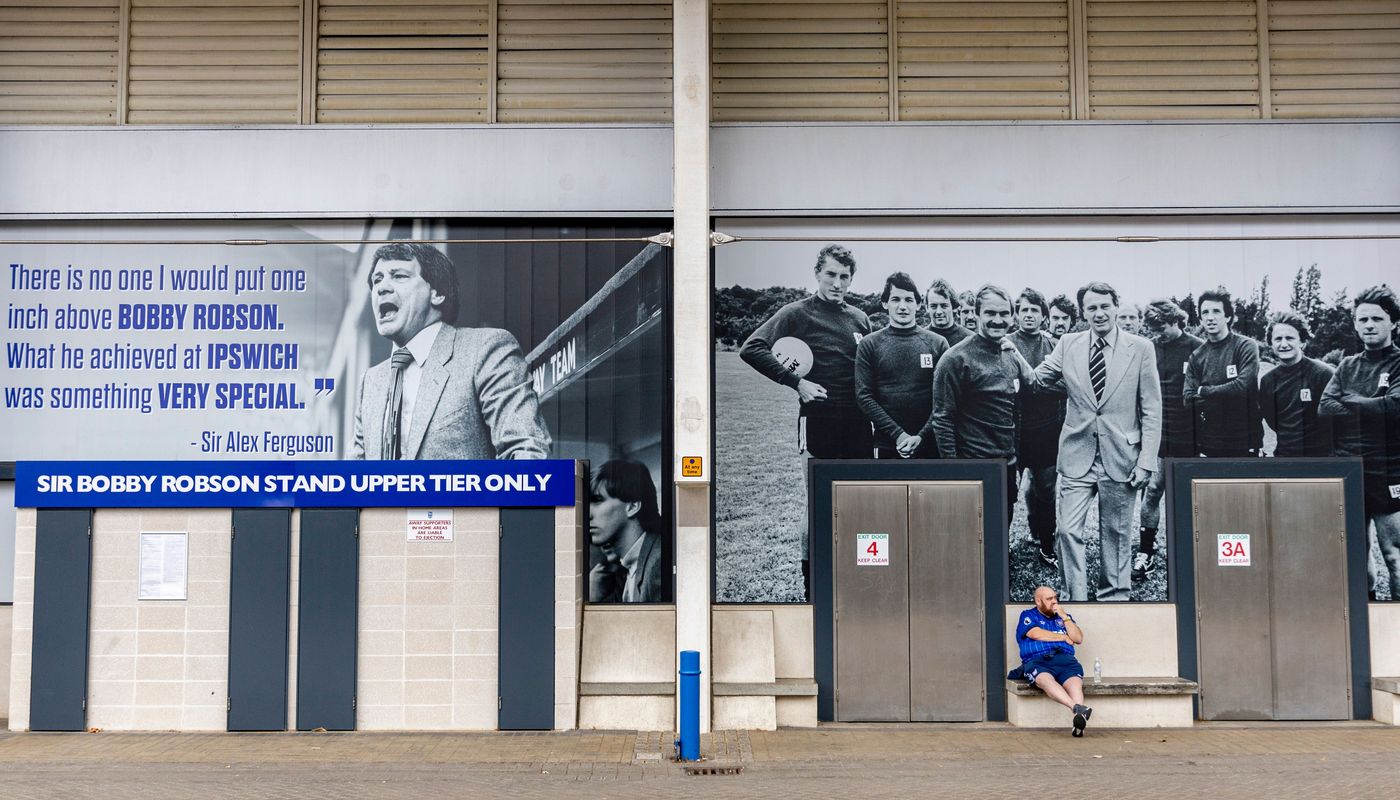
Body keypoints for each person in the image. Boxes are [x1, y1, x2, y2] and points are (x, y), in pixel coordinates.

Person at [1009, 281, 1162, 601]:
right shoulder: (1068, 344)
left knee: (1116, 534)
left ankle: (1114, 596)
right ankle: (1072, 597)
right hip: (1077, 454)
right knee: (1067, 530)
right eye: (1091, 307)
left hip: (1122, 456)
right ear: (1083, 312)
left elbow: (1151, 409)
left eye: (1105, 306)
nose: (1099, 313)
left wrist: (1146, 461)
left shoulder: (1141, 348)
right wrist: (1013, 354)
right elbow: (1036, 381)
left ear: (1116, 307)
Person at [740, 244, 873, 593]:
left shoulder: (860, 319)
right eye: (831, 274)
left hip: (858, 425)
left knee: (860, 503)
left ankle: (857, 577)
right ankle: (811, 582)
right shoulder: (796, 313)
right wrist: (797, 383)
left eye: (845, 277)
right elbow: (751, 347)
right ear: (817, 274)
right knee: (818, 504)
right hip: (818, 421)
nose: (837, 283)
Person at [352, 242, 551, 460]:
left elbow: (528, 455)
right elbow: (355, 480)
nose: (381, 287)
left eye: (399, 276)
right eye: (376, 280)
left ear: (437, 293)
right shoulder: (370, 382)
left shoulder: (484, 350)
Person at [1320, 286, 1400, 601]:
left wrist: (1350, 401)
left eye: (1377, 318)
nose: (1369, 324)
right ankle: (1367, 613)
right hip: (1348, 467)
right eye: (1362, 318)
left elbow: (1394, 407)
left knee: (1393, 553)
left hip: (1389, 470)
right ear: (1355, 324)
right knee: (1356, 551)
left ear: (1394, 323)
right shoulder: (1347, 365)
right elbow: (1325, 407)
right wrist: (1371, 405)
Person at [930, 284, 1021, 522]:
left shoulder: (1010, 354)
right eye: (990, 313)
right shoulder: (955, 358)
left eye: (1004, 314)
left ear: (1012, 317)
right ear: (977, 314)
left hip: (1006, 461)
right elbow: (942, 418)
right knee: (970, 533)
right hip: (972, 462)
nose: (998, 320)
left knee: (1001, 526)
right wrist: (953, 469)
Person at [1134, 300, 1202, 581]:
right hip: (1158, 432)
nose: (1157, 332)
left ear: (1176, 320)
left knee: (1187, 496)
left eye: (1161, 326)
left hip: (1192, 434)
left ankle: (1189, 550)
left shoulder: (1196, 346)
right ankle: (1146, 551)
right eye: (1152, 327)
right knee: (1152, 491)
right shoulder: (1148, 348)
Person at [855, 272, 948, 458]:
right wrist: (898, 435)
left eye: (909, 300)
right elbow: (864, 396)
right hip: (887, 444)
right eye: (896, 299)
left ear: (918, 304)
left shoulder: (938, 343)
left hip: (930, 443)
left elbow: (945, 398)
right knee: (889, 489)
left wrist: (922, 436)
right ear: (885, 303)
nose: (903, 306)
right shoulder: (869, 344)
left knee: (928, 489)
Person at [1011, 288, 1064, 567]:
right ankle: (999, 545)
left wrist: (1033, 386)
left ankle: (1046, 543)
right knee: (1008, 489)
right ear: (1016, 313)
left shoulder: (1054, 344)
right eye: (1024, 310)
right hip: (1012, 429)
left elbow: (1065, 386)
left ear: (1044, 316)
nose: (1029, 315)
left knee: (1046, 487)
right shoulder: (1005, 342)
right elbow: (1006, 388)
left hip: (1046, 430)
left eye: (1035, 310)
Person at [1184, 287, 1263, 458]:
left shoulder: (1245, 346)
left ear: (1228, 316)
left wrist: (1204, 391)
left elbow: (1242, 387)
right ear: (1200, 318)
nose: (1210, 317)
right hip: (1209, 442)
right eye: (1205, 312)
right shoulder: (1197, 356)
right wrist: (1227, 395)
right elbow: (1188, 399)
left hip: (1246, 441)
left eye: (1216, 311)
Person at [1016, 586, 1092, 736]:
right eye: (1049, 599)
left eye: (1055, 598)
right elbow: (1035, 633)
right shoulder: (1028, 615)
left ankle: (1078, 722)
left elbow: (1078, 638)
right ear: (1038, 601)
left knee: (1075, 686)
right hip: (1038, 660)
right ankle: (1077, 708)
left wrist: (1065, 617)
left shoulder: (1063, 617)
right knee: (1045, 680)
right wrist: (1063, 637)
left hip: (1065, 660)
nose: (1054, 602)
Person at [1259, 310, 1335, 458]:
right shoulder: (1267, 381)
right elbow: (1273, 422)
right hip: (1284, 458)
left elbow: (1334, 421)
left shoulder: (1323, 374)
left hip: (1321, 459)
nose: (1284, 344)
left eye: (1290, 338)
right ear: (1271, 344)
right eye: (1278, 339)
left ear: (1302, 342)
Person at [588, 460, 665, 603]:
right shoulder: (624, 568)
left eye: (597, 500)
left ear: (632, 507)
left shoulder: (658, 563)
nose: (588, 514)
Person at [926, 278, 970, 347]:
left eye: (944, 306)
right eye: (933, 306)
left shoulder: (969, 339)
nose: (939, 312)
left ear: (954, 308)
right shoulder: (919, 339)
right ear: (927, 308)